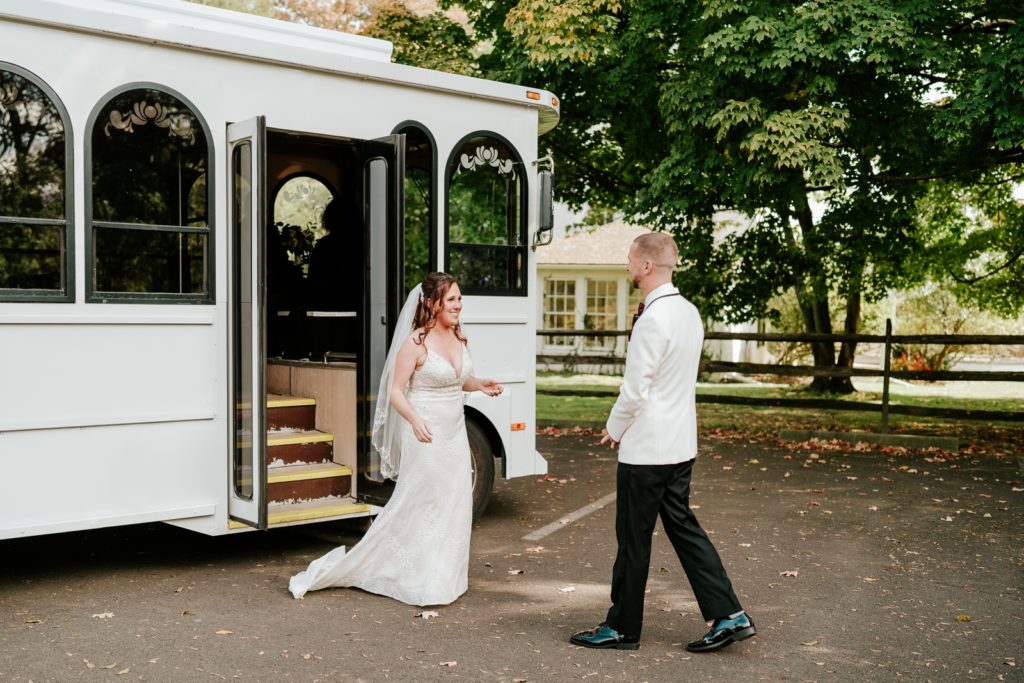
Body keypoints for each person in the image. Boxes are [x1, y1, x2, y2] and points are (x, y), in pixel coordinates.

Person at [569, 233, 756, 653]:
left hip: (647, 449)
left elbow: (636, 390)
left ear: (647, 266)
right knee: (684, 530)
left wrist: (614, 427)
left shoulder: (653, 319)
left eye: (631, 260)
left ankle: (621, 628)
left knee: (633, 539)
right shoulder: (689, 312)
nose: (628, 266)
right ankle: (729, 614)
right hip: (679, 444)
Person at [288, 272, 503, 606]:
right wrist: (414, 419)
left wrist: (480, 384)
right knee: (423, 501)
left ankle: (445, 575)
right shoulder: (414, 343)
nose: (458, 305)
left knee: (454, 502)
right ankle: (414, 575)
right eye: (451, 300)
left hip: (454, 434)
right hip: (425, 434)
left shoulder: (460, 338)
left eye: (460, 298)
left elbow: (458, 380)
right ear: (431, 304)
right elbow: (395, 392)